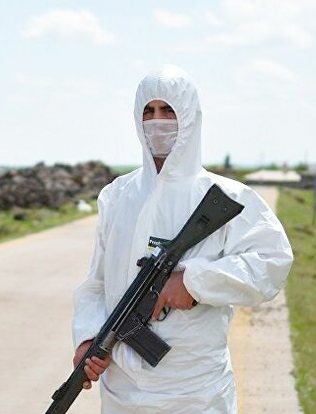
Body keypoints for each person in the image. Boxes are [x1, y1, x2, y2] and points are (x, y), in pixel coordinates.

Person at [71, 65, 294, 413]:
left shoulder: (227, 198)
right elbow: (96, 284)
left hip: (194, 392)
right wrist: (86, 337)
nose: (156, 122)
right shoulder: (117, 196)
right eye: (148, 111)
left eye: (167, 111)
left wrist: (193, 282)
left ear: (188, 117)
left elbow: (272, 263)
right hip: (121, 394)